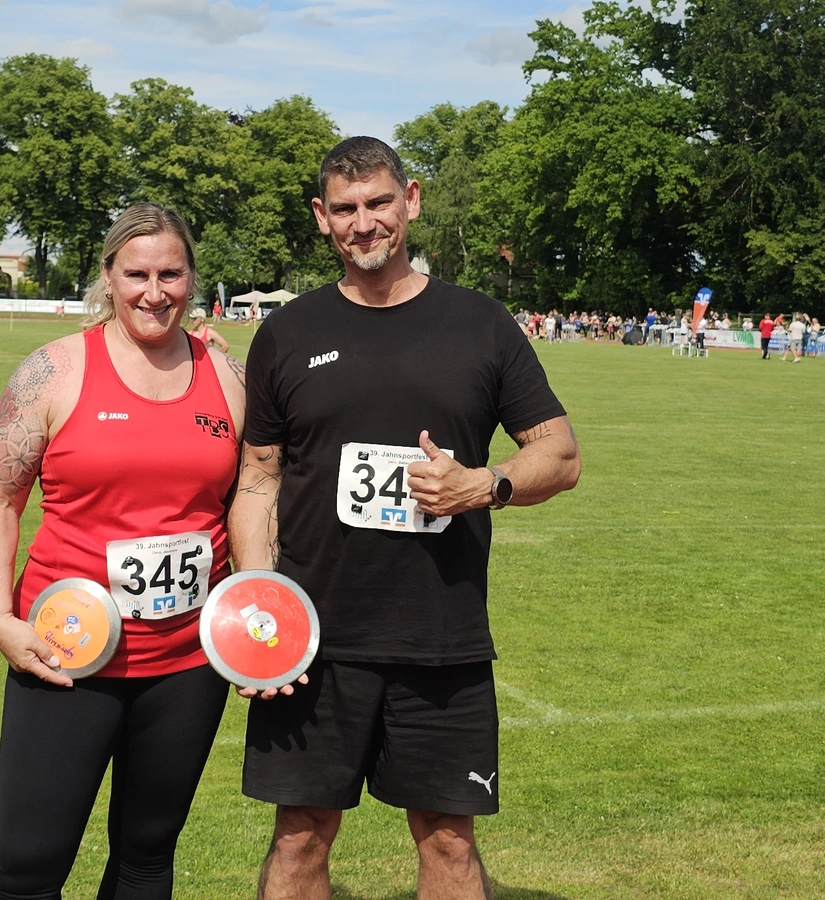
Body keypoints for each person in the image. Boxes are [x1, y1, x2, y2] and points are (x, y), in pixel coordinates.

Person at [228, 136, 581, 900]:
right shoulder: (287, 333)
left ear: (411, 200)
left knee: (450, 846)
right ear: (322, 218)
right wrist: (260, 612)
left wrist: (483, 485)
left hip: (441, 641)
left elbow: (559, 454)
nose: (365, 224)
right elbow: (258, 478)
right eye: (346, 210)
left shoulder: (481, 325)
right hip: (314, 642)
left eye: (379, 204)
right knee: (298, 839)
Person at [0, 203, 246, 900]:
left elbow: (253, 496)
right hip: (65, 650)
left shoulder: (230, 376)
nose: (155, 292)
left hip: (187, 662)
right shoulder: (53, 371)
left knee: (147, 857)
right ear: (108, 276)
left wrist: (251, 611)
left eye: (171, 274)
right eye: (138, 274)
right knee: (31, 865)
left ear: (191, 276)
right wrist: (0, 618)